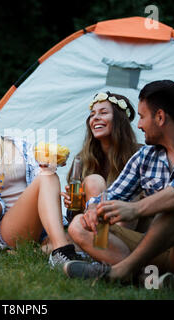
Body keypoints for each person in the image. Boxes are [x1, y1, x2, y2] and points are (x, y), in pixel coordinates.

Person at [64, 80, 174, 288]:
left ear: (160, 117)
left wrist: (135, 209)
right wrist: (94, 209)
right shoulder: (145, 156)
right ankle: (151, 278)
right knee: (80, 225)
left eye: (141, 117)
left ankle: (122, 271)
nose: (139, 124)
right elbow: (113, 193)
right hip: (159, 249)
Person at [0, 96, 81, 268]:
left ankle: (42, 248)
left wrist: (49, 164)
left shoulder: (19, 144)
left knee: (49, 175)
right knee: (47, 176)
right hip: (10, 227)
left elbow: (39, 181)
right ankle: (61, 250)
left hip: (39, 224)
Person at [63, 92, 142, 263]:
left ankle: (105, 251)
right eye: (92, 115)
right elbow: (74, 215)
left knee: (133, 194)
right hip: (90, 225)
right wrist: (72, 204)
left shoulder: (139, 155)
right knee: (93, 180)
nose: (95, 118)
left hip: (131, 228)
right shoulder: (82, 159)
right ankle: (103, 251)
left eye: (103, 113)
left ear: (120, 119)